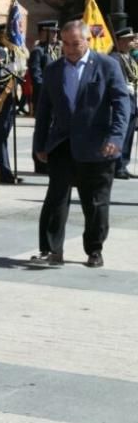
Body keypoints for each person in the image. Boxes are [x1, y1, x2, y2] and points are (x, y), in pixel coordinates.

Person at [32, 20, 129, 268]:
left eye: (75, 43)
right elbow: (43, 110)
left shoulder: (107, 66)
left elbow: (121, 104)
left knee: (95, 202)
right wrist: (40, 144)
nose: (70, 49)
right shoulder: (54, 69)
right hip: (62, 144)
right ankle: (53, 249)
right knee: (56, 198)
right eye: (65, 43)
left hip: (97, 146)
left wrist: (116, 138)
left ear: (87, 40)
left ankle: (94, 249)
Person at [0, 24, 21, 185]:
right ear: (2, 36)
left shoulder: (12, 51)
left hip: (10, 98)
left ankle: (6, 169)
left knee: (4, 135)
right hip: (0, 97)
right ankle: (1, 170)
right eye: (11, 35)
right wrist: (9, 71)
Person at [28, 21, 59, 173]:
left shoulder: (56, 50)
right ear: (43, 33)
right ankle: (39, 162)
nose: (55, 35)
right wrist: (48, 91)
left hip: (57, 98)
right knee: (43, 128)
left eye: (56, 32)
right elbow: (36, 75)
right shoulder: (38, 51)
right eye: (52, 32)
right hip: (43, 97)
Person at [112, 27, 138, 179]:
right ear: (120, 41)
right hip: (123, 101)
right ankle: (117, 165)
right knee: (121, 133)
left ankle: (123, 164)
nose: (132, 42)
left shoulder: (129, 57)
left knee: (129, 135)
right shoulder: (115, 58)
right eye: (129, 39)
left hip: (133, 100)